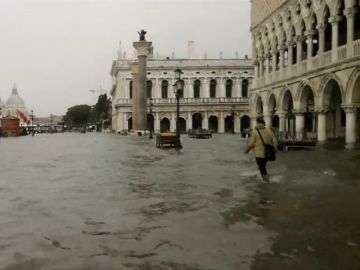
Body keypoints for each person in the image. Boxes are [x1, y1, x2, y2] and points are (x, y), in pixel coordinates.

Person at [244, 117, 277, 182]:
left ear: (257, 123)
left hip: (259, 155)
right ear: (263, 123)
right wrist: (273, 151)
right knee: (263, 167)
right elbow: (275, 143)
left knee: (262, 169)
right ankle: (266, 178)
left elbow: (251, 144)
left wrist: (246, 151)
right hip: (268, 154)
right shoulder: (269, 131)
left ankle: (267, 182)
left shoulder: (255, 132)